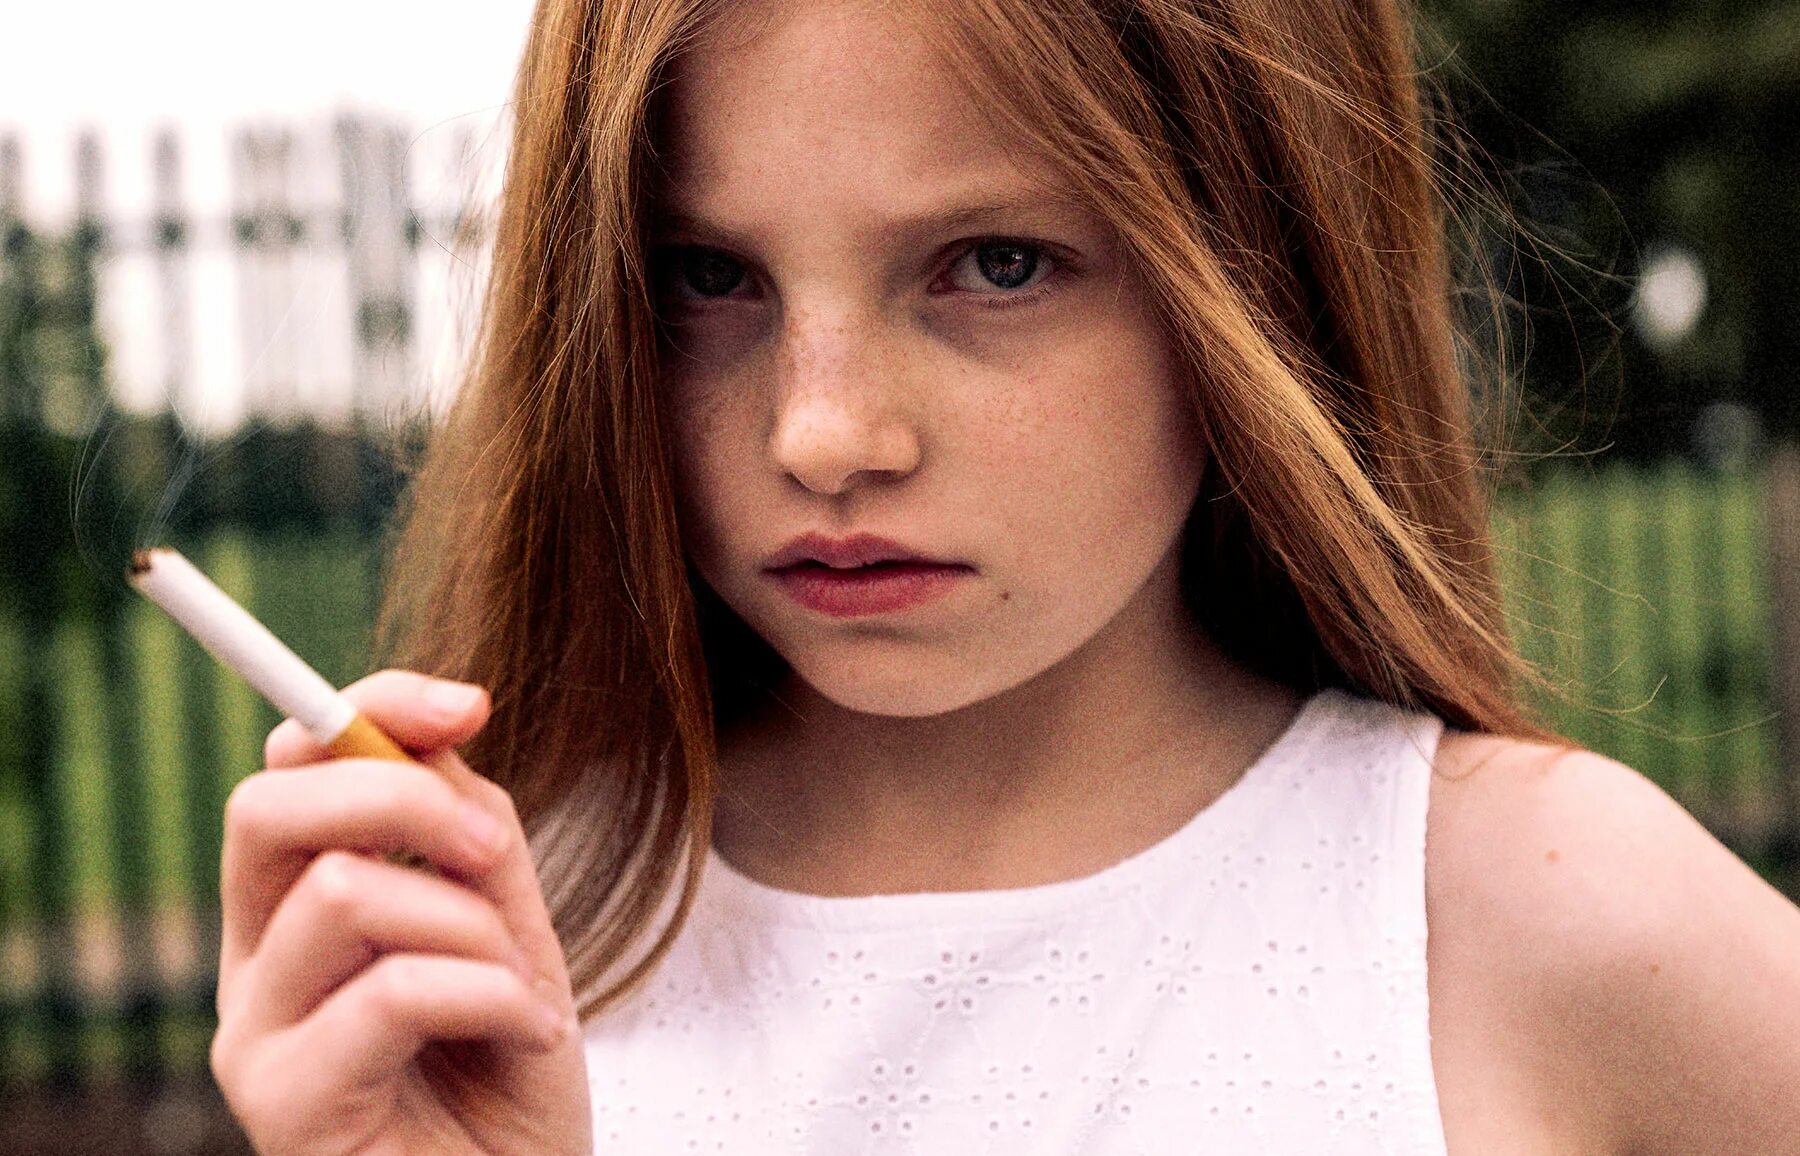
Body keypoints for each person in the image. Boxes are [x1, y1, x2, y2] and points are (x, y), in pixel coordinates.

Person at [207, 0, 1800, 1151]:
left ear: (1261, 271)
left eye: (997, 264)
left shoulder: (1539, 913)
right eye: (711, 278)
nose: (824, 433)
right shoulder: (467, 967)